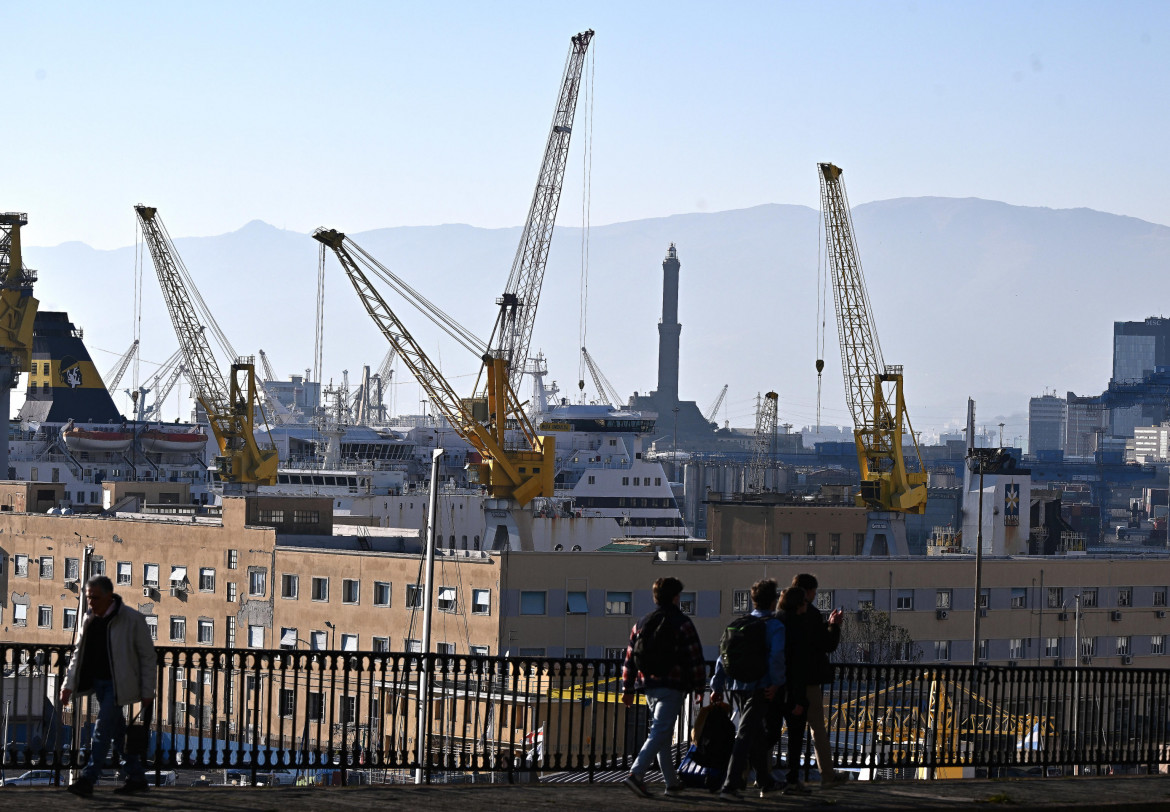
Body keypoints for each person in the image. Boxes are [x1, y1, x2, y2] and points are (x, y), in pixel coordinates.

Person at [61, 574, 158, 797]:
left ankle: (88, 779)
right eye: (88, 598)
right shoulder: (89, 619)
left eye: (94, 597)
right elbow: (78, 653)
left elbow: (147, 657)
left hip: (118, 685)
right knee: (117, 732)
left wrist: (147, 690)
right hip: (99, 684)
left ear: (108, 596)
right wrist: (67, 685)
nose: (90, 602)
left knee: (101, 730)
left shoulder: (131, 619)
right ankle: (136, 778)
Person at [620, 576, 706, 798]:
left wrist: (627, 689)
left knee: (663, 734)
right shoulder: (682, 623)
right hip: (673, 684)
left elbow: (629, 658)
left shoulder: (642, 623)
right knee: (659, 731)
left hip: (648, 684)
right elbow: (695, 656)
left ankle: (671, 782)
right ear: (676, 597)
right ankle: (636, 774)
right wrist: (699, 687)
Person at [710, 577, 785, 800]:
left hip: (736, 685)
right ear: (773, 602)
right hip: (760, 686)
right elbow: (776, 657)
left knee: (756, 733)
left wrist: (717, 685)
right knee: (745, 734)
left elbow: (722, 657)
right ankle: (730, 785)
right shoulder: (774, 626)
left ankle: (765, 780)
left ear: (753, 601)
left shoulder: (738, 623)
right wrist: (776, 683)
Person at [792, 572, 845, 787]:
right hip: (809, 681)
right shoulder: (811, 614)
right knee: (817, 729)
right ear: (809, 591)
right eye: (814, 592)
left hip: (785, 680)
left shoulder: (782, 613)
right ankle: (827, 776)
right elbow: (826, 644)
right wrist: (833, 626)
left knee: (778, 729)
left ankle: (765, 776)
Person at [769, 585, 811, 794]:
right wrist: (795, 700)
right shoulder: (797, 628)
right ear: (797, 605)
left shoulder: (773, 622)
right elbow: (796, 666)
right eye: (804, 601)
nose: (807, 605)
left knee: (769, 734)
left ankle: (760, 776)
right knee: (795, 738)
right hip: (791, 691)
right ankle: (792, 780)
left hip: (772, 690)